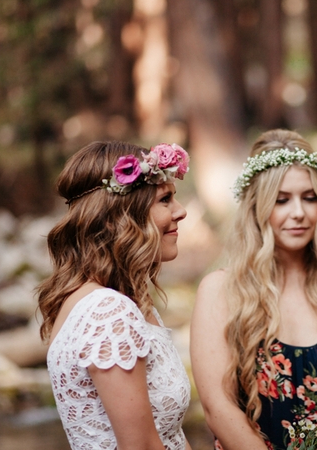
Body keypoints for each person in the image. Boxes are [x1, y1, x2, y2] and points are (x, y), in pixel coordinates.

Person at [190, 129, 317, 450]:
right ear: (256, 207)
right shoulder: (220, 291)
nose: (298, 213)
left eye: (310, 198)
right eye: (281, 200)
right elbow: (217, 408)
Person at [37, 141, 193, 450]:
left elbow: (169, 437)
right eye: (165, 199)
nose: (181, 211)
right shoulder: (107, 311)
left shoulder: (121, 302)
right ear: (122, 216)